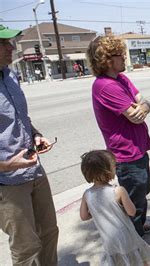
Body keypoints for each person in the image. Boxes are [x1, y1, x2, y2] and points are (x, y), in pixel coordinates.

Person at [86, 36, 150, 237]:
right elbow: (134, 117)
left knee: (143, 191)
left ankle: (139, 226)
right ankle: (136, 242)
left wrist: (142, 105)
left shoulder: (122, 79)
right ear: (108, 59)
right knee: (133, 200)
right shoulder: (105, 85)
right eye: (120, 55)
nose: (125, 57)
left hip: (139, 147)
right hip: (126, 153)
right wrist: (140, 107)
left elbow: (144, 102)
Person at [0, 25, 59, 265]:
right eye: (3, 43)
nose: (11, 48)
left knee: (49, 232)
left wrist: (35, 135)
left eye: (11, 42)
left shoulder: (10, 75)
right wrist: (5, 165)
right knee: (26, 248)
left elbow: (19, 118)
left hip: (34, 169)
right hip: (8, 182)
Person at [79, 150, 150, 265]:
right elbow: (132, 212)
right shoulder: (118, 191)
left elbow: (84, 216)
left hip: (109, 240)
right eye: (114, 166)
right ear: (108, 170)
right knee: (139, 260)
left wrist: (98, 210)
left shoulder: (87, 194)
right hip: (126, 236)